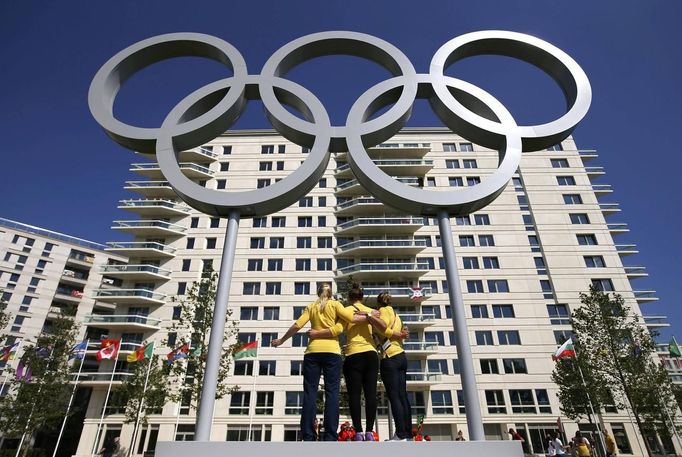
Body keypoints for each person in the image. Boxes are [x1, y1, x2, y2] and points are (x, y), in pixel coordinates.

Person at [271, 283, 370, 441]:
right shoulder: (336, 305)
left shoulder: (311, 306)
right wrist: (370, 315)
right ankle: (330, 436)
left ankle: (308, 435)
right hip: (332, 353)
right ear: (331, 293)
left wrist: (282, 340)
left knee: (310, 393)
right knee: (332, 393)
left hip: (312, 353)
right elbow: (351, 318)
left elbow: (297, 325)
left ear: (318, 293)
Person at [367, 292, 411, 441]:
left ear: (379, 303)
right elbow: (401, 332)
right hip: (401, 356)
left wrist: (370, 317)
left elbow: (384, 328)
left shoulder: (384, 311)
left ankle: (400, 433)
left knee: (394, 397)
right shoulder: (396, 315)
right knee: (403, 396)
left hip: (390, 357)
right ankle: (407, 433)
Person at [342, 283, 381, 441]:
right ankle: (370, 432)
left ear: (349, 298)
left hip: (353, 354)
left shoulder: (345, 311)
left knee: (354, 395)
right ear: (362, 297)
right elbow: (378, 315)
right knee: (371, 393)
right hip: (371, 354)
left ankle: (358, 432)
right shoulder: (371, 311)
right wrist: (367, 315)